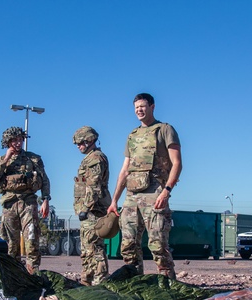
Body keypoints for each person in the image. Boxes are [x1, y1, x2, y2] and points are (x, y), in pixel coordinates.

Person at [109, 93, 182, 279]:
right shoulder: (132, 136)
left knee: (158, 245)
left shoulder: (164, 130)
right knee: (128, 246)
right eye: (136, 108)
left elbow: (177, 163)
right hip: (132, 196)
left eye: (142, 106)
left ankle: (168, 286)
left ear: (152, 107)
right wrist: (114, 199)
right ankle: (135, 283)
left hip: (155, 193)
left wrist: (166, 191)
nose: (139, 110)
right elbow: (125, 170)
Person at [0, 126, 50, 273]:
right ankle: (14, 276)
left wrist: (46, 199)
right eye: (14, 140)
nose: (17, 143)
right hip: (9, 205)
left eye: (20, 139)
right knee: (11, 244)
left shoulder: (33, 159)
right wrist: (6, 159)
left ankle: (33, 274)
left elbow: (45, 180)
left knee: (32, 239)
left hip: (28, 202)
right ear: (7, 142)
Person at [72, 126, 111, 285]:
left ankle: (99, 283)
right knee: (87, 250)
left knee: (95, 250)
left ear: (89, 141)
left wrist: (85, 208)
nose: (79, 146)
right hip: (88, 212)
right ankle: (87, 282)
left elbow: (94, 186)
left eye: (81, 142)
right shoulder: (89, 158)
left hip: (93, 211)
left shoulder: (95, 158)